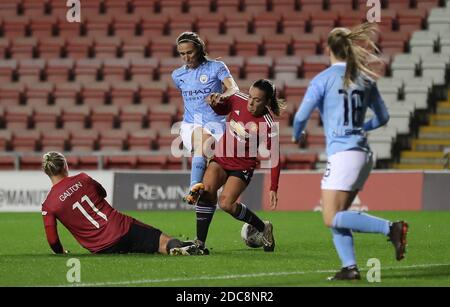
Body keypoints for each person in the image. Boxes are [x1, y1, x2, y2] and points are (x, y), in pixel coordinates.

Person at [292, 23, 409, 280]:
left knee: (330, 216)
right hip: (363, 154)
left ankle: (391, 228)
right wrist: (360, 127)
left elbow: (300, 117)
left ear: (328, 49)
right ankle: (350, 267)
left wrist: (296, 133)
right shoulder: (365, 79)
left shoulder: (322, 79)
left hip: (343, 155)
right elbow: (383, 117)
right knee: (339, 215)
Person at [41, 151, 203, 256]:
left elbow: (53, 240)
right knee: (161, 242)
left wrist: (60, 251)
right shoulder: (83, 178)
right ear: (65, 165)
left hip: (100, 248)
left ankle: (181, 246)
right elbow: (102, 193)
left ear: (46, 172)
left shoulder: (48, 205)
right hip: (121, 228)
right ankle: (179, 246)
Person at [190, 79, 284, 253]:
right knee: (207, 192)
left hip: (242, 167)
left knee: (226, 203)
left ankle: (263, 228)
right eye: (250, 97)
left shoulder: (267, 124)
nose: (250, 102)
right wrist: (214, 104)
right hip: (221, 158)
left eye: (257, 100)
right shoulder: (237, 98)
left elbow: (275, 157)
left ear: (267, 102)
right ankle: (199, 244)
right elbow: (222, 109)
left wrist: (273, 187)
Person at [172, 31, 239, 205]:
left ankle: (202, 225)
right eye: (182, 54)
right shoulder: (177, 75)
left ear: (200, 49)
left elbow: (234, 89)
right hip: (190, 126)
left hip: (218, 127)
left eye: (189, 52)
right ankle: (193, 186)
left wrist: (222, 96)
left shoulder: (216, 67)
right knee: (203, 139)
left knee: (210, 189)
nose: (186, 57)